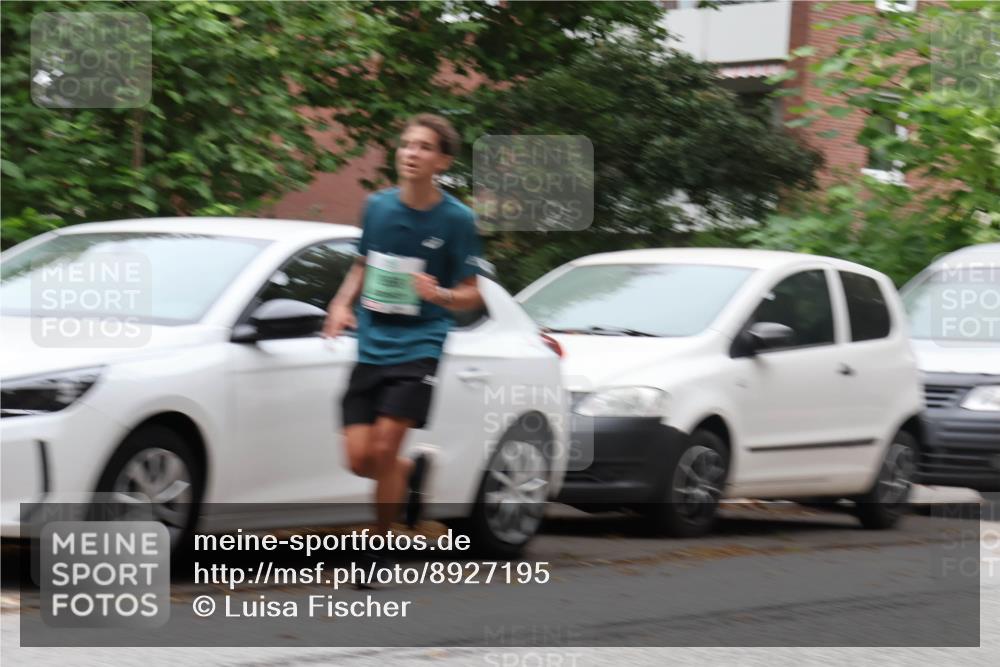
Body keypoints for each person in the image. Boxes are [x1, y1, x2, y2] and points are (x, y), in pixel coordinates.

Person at [322, 113, 484, 538]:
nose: (412, 153)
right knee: (360, 460)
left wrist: (440, 295)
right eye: (407, 144)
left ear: (442, 162)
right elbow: (362, 264)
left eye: (424, 147)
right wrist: (340, 304)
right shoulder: (377, 207)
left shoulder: (457, 221)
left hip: (419, 345)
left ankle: (375, 547)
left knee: (384, 445)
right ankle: (408, 475)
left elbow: (473, 292)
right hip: (371, 342)